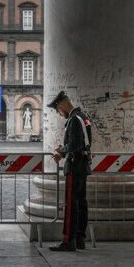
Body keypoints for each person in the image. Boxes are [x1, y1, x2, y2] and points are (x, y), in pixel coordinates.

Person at [48, 91, 92, 252]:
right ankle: (80, 238)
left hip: (74, 165)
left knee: (71, 205)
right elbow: (83, 143)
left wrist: (62, 151)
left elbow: (75, 144)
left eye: (58, 110)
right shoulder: (83, 116)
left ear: (62, 105)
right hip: (83, 165)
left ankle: (68, 240)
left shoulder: (74, 119)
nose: (60, 114)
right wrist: (65, 149)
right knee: (81, 203)